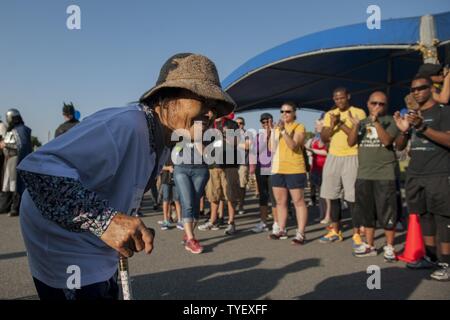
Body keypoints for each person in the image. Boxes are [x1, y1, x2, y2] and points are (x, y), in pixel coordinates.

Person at [16, 53, 236, 299]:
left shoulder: (167, 137)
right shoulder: (127, 124)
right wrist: (107, 221)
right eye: (203, 100)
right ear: (167, 96)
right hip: (61, 238)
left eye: (215, 107)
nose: (211, 114)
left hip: (92, 237)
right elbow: (37, 170)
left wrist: (126, 223)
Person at [394, 75, 450, 282]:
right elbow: (400, 146)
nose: (416, 92)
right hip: (416, 174)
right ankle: (430, 257)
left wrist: (423, 128)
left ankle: (447, 263)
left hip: (439, 173)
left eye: (421, 88)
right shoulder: (412, 115)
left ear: (432, 88)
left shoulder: (444, 112)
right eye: (413, 89)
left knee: (443, 219)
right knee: (424, 216)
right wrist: (403, 131)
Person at [347, 91, 399, 261]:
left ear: (386, 106)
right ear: (368, 104)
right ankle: (369, 245)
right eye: (374, 103)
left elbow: (387, 141)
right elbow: (351, 142)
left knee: (387, 212)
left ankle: (390, 246)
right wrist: (355, 126)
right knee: (366, 212)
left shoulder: (391, 121)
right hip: (364, 174)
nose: (377, 106)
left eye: (381, 104)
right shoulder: (361, 122)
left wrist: (376, 123)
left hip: (385, 174)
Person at [319, 87, 366, 247]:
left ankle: (356, 233)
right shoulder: (329, 114)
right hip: (333, 157)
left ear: (348, 96)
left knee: (352, 198)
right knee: (331, 195)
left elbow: (354, 139)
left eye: (342, 98)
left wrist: (341, 124)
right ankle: (335, 231)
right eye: (336, 99)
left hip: (351, 156)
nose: (339, 101)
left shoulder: (358, 113)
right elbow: (324, 137)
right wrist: (332, 125)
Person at [269, 102, 308, 245]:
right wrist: (274, 132)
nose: (285, 114)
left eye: (288, 111)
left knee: (298, 201)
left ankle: (301, 233)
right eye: (282, 111)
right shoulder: (278, 129)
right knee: (280, 202)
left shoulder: (299, 127)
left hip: (294, 169)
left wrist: (284, 131)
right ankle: (282, 229)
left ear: (294, 113)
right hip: (278, 169)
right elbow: (271, 148)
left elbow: (293, 146)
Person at [172, 116, 211, 254]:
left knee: (194, 204)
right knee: (187, 203)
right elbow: (174, 151)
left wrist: (199, 139)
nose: (202, 126)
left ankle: (188, 234)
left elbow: (206, 157)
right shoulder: (182, 134)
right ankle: (191, 239)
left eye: (205, 124)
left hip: (200, 171)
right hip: (181, 169)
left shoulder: (210, 136)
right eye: (198, 123)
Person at [199, 113, 240, 235]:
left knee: (230, 194)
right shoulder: (209, 125)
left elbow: (236, 142)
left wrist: (225, 135)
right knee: (213, 194)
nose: (213, 112)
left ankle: (231, 223)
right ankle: (212, 221)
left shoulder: (231, 124)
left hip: (229, 164)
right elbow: (204, 145)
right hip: (213, 165)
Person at [0, 109, 32, 217]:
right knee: (6, 183)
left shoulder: (21, 130)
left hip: (15, 158)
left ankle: (15, 207)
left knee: (14, 182)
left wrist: (6, 145)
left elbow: (21, 146)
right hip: (8, 158)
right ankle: (5, 206)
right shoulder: (11, 130)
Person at [250, 113, 277, 233]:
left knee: (275, 196)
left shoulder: (278, 133)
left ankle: (277, 223)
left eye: (268, 121)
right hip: (261, 168)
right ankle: (264, 222)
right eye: (264, 122)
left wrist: (273, 132)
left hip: (275, 168)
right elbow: (256, 150)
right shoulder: (258, 136)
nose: (266, 124)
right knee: (263, 196)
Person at [305, 115, 330, 224]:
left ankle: (328, 215)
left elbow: (327, 152)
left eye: (317, 124)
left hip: (325, 167)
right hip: (315, 168)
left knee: (327, 194)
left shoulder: (326, 137)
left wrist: (313, 151)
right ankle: (322, 214)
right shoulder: (315, 138)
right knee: (321, 194)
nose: (315, 126)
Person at [159, 158, 182, 231]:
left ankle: (180, 220)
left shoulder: (179, 150)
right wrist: (168, 168)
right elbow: (158, 166)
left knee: (177, 200)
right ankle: (166, 220)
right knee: (166, 200)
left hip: (176, 179)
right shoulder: (164, 151)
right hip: (166, 179)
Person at [235, 117, 250, 215]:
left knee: (241, 185)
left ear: (243, 124)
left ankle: (240, 205)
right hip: (231, 164)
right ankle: (234, 204)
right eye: (236, 124)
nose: (239, 125)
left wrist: (235, 143)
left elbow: (247, 146)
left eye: (240, 123)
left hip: (243, 163)